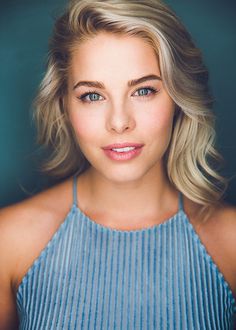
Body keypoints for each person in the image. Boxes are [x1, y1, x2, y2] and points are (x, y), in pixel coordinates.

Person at [0, 0, 236, 329]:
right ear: (64, 105)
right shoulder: (9, 241)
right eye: (92, 96)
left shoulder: (231, 242)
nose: (119, 122)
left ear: (179, 98)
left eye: (143, 90)